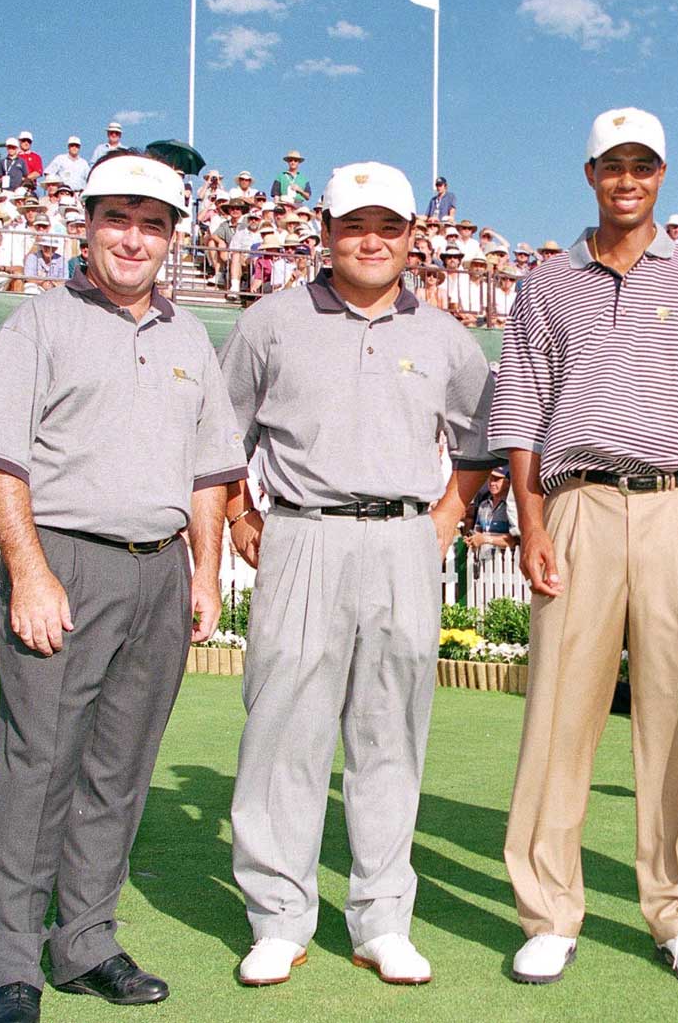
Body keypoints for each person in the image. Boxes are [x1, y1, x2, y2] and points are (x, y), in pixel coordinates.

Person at [0, 152, 247, 1023]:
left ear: (171, 239)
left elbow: (209, 471)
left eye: (152, 223)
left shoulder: (190, 336)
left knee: (121, 769)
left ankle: (84, 940)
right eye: (117, 218)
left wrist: (206, 571)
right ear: (85, 225)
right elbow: (0, 457)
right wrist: (31, 571)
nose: (133, 237)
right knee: (38, 762)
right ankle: (9, 956)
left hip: (161, 568)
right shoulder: (38, 323)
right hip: (67, 559)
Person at [491, 108, 678, 988]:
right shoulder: (546, 284)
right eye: (612, 165)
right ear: (589, 175)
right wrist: (531, 521)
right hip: (573, 505)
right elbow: (522, 411)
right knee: (557, 714)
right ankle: (549, 910)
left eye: (643, 165)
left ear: (661, 174)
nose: (628, 179)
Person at [218, 162, 495, 989]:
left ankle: (382, 921)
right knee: (283, 733)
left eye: (389, 226)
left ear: (414, 237)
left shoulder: (445, 336)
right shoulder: (269, 323)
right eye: (353, 225)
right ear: (326, 232)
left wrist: (448, 517)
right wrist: (240, 513)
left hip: (405, 538)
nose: (370, 241)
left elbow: (481, 441)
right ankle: (278, 919)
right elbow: (219, 435)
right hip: (300, 535)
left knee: (390, 736)